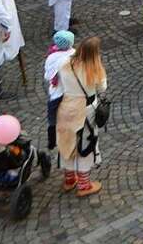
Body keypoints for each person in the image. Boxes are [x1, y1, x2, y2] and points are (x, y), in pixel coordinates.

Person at [56, 36, 107, 197]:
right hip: (86, 111)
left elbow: (60, 85)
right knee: (86, 144)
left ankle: (69, 179)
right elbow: (102, 88)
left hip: (66, 107)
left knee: (67, 141)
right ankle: (84, 185)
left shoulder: (65, 65)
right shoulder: (94, 70)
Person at [43, 30, 74, 150]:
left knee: (52, 118)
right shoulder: (75, 54)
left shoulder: (52, 57)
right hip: (71, 92)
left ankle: (52, 141)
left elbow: (47, 76)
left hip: (57, 93)